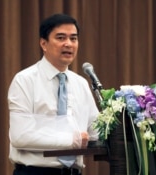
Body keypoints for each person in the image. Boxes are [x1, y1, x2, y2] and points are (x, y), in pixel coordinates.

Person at [8, 14, 99, 175]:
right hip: (35, 172)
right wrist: (71, 140)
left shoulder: (81, 84)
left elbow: (95, 132)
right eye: (61, 37)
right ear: (43, 43)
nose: (68, 44)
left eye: (73, 38)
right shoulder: (25, 80)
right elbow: (20, 136)